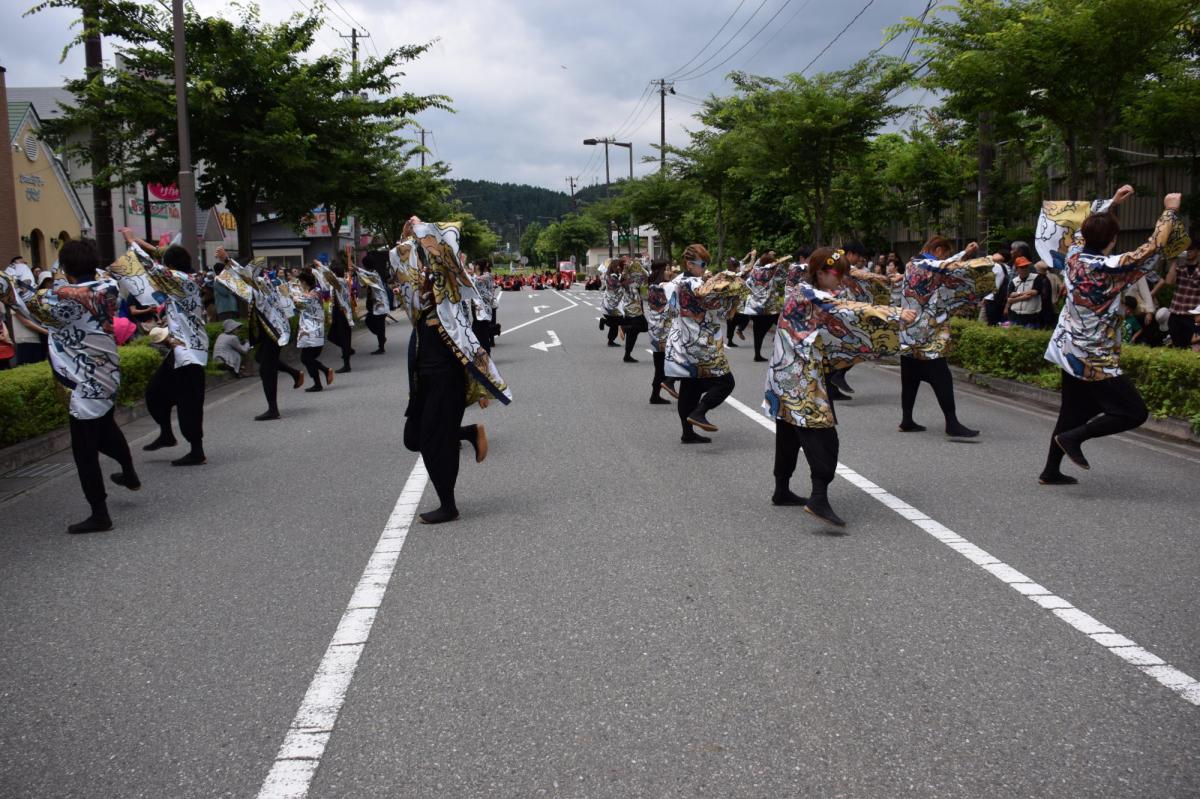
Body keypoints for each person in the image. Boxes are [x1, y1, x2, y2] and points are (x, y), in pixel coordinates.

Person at [764, 248, 918, 526]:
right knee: (823, 435)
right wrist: (894, 314)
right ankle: (819, 497)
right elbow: (847, 310)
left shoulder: (801, 288)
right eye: (837, 273)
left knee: (788, 433)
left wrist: (872, 278)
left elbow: (844, 302)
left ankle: (782, 489)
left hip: (786, 375)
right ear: (820, 272)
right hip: (801, 379)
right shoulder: (810, 295)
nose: (841, 279)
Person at [1039, 190, 1183, 485]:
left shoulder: (1074, 257)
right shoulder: (1110, 269)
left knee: (1073, 411)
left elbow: (1079, 229)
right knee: (1134, 412)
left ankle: (1051, 470)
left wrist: (1112, 203)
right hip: (1095, 357)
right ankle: (1075, 438)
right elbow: (1152, 247)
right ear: (1112, 240)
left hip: (1069, 349)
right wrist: (1169, 210)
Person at [0, 240, 139, 533]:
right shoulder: (107, 287)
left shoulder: (64, 297)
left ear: (65, 269)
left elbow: (18, 298)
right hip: (108, 374)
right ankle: (128, 473)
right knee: (106, 430)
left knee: (84, 451)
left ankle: (100, 514)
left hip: (83, 384)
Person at [390, 217, 511, 524]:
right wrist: (404, 238)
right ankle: (468, 432)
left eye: (428, 248)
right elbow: (401, 270)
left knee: (435, 442)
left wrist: (423, 229)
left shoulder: (449, 285)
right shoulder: (418, 288)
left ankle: (448, 504)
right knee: (413, 437)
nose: (424, 256)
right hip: (423, 373)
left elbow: (447, 247)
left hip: (447, 374)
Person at [110, 230, 209, 466]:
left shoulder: (183, 281)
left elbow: (151, 266)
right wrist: (136, 242)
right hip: (178, 349)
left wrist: (132, 244)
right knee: (155, 393)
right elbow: (158, 256)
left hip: (190, 352)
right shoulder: (181, 279)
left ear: (171, 267)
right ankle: (167, 433)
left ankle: (197, 451)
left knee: (189, 402)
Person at [899, 236, 1002, 437]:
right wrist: (989, 259)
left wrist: (965, 252)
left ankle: (907, 419)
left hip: (909, 332)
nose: (945, 256)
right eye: (945, 252)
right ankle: (951, 423)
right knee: (942, 377)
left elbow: (944, 264)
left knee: (910, 379)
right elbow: (949, 266)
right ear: (938, 250)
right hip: (926, 332)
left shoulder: (914, 263)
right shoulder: (927, 264)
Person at [664, 244, 748, 443]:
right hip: (700, 341)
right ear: (689, 264)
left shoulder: (677, 281)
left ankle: (687, 432)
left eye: (706, 264)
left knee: (689, 386)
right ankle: (700, 412)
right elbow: (718, 308)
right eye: (702, 264)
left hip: (680, 339)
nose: (705, 267)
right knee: (726, 382)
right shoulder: (696, 285)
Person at [215, 249, 304, 419]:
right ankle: (294, 373)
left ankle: (273, 409)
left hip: (274, 330)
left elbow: (241, 275)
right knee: (260, 358)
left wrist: (227, 259)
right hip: (270, 329)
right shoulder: (261, 281)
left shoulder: (257, 283)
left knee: (266, 369)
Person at [740, 251, 788, 362]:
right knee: (783, 325)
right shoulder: (771, 272)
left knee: (758, 332)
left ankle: (757, 355)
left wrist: (764, 256)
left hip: (754, 308)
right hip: (768, 308)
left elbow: (756, 266)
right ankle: (780, 348)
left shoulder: (754, 271)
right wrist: (781, 265)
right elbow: (783, 278)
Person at [292, 270, 335, 392]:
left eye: (300, 282)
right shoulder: (316, 292)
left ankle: (323, 374)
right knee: (307, 358)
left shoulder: (313, 294)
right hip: (314, 330)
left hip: (312, 331)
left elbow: (299, 302)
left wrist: (291, 296)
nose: (300, 285)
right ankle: (321, 378)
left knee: (306, 358)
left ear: (304, 282)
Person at [1153, 241, 1200, 348]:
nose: (1188, 252)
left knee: (1192, 347)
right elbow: (1169, 281)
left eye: (1191, 249)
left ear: (1198, 252)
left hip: (1191, 317)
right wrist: (1174, 260)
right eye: (1187, 249)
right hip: (1175, 315)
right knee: (1178, 347)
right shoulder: (1180, 269)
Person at [644, 259, 679, 404]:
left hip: (657, 332)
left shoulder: (653, 286)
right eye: (667, 269)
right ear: (660, 270)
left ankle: (655, 395)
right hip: (664, 333)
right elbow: (671, 308)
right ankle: (668, 384)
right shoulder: (660, 288)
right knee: (679, 362)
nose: (669, 272)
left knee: (660, 367)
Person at [315, 261, 355, 373]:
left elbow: (329, 276)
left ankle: (347, 363)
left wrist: (321, 266)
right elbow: (325, 281)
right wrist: (317, 272)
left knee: (344, 337)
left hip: (343, 313)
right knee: (333, 336)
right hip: (337, 312)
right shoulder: (337, 282)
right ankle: (348, 349)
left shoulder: (341, 281)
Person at [358, 250, 391, 354]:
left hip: (379, 304)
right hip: (375, 305)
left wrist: (356, 269)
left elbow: (364, 279)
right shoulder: (373, 273)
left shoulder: (373, 275)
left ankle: (381, 344)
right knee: (376, 324)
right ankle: (381, 340)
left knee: (376, 323)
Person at [619, 258, 649, 363]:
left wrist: (628, 267)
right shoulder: (634, 280)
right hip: (634, 310)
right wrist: (637, 267)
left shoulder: (625, 279)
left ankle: (627, 355)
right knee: (643, 327)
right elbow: (646, 275)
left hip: (628, 308)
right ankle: (624, 328)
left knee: (634, 332)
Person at [1004, 256, 1047, 328]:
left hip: (1031, 315)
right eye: (1022, 267)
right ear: (1017, 269)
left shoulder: (1036, 278)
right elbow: (1009, 298)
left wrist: (1016, 295)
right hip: (1015, 314)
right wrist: (1021, 296)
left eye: (1026, 266)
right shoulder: (1014, 281)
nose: (1025, 269)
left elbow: (1034, 292)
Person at [471, 259, 497, 353]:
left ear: (478, 266)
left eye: (473, 264)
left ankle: (486, 355)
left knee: (482, 333)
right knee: (476, 331)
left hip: (484, 308)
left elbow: (474, 281)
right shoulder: (476, 276)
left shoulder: (487, 276)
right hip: (477, 308)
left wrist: (466, 273)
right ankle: (481, 354)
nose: (472, 266)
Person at [598, 258, 625, 346]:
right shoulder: (613, 277)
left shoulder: (608, 275)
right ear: (615, 267)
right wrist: (624, 283)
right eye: (619, 266)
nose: (620, 268)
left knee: (615, 323)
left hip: (608, 303)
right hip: (612, 304)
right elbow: (618, 288)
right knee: (618, 321)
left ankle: (610, 340)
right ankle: (604, 322)